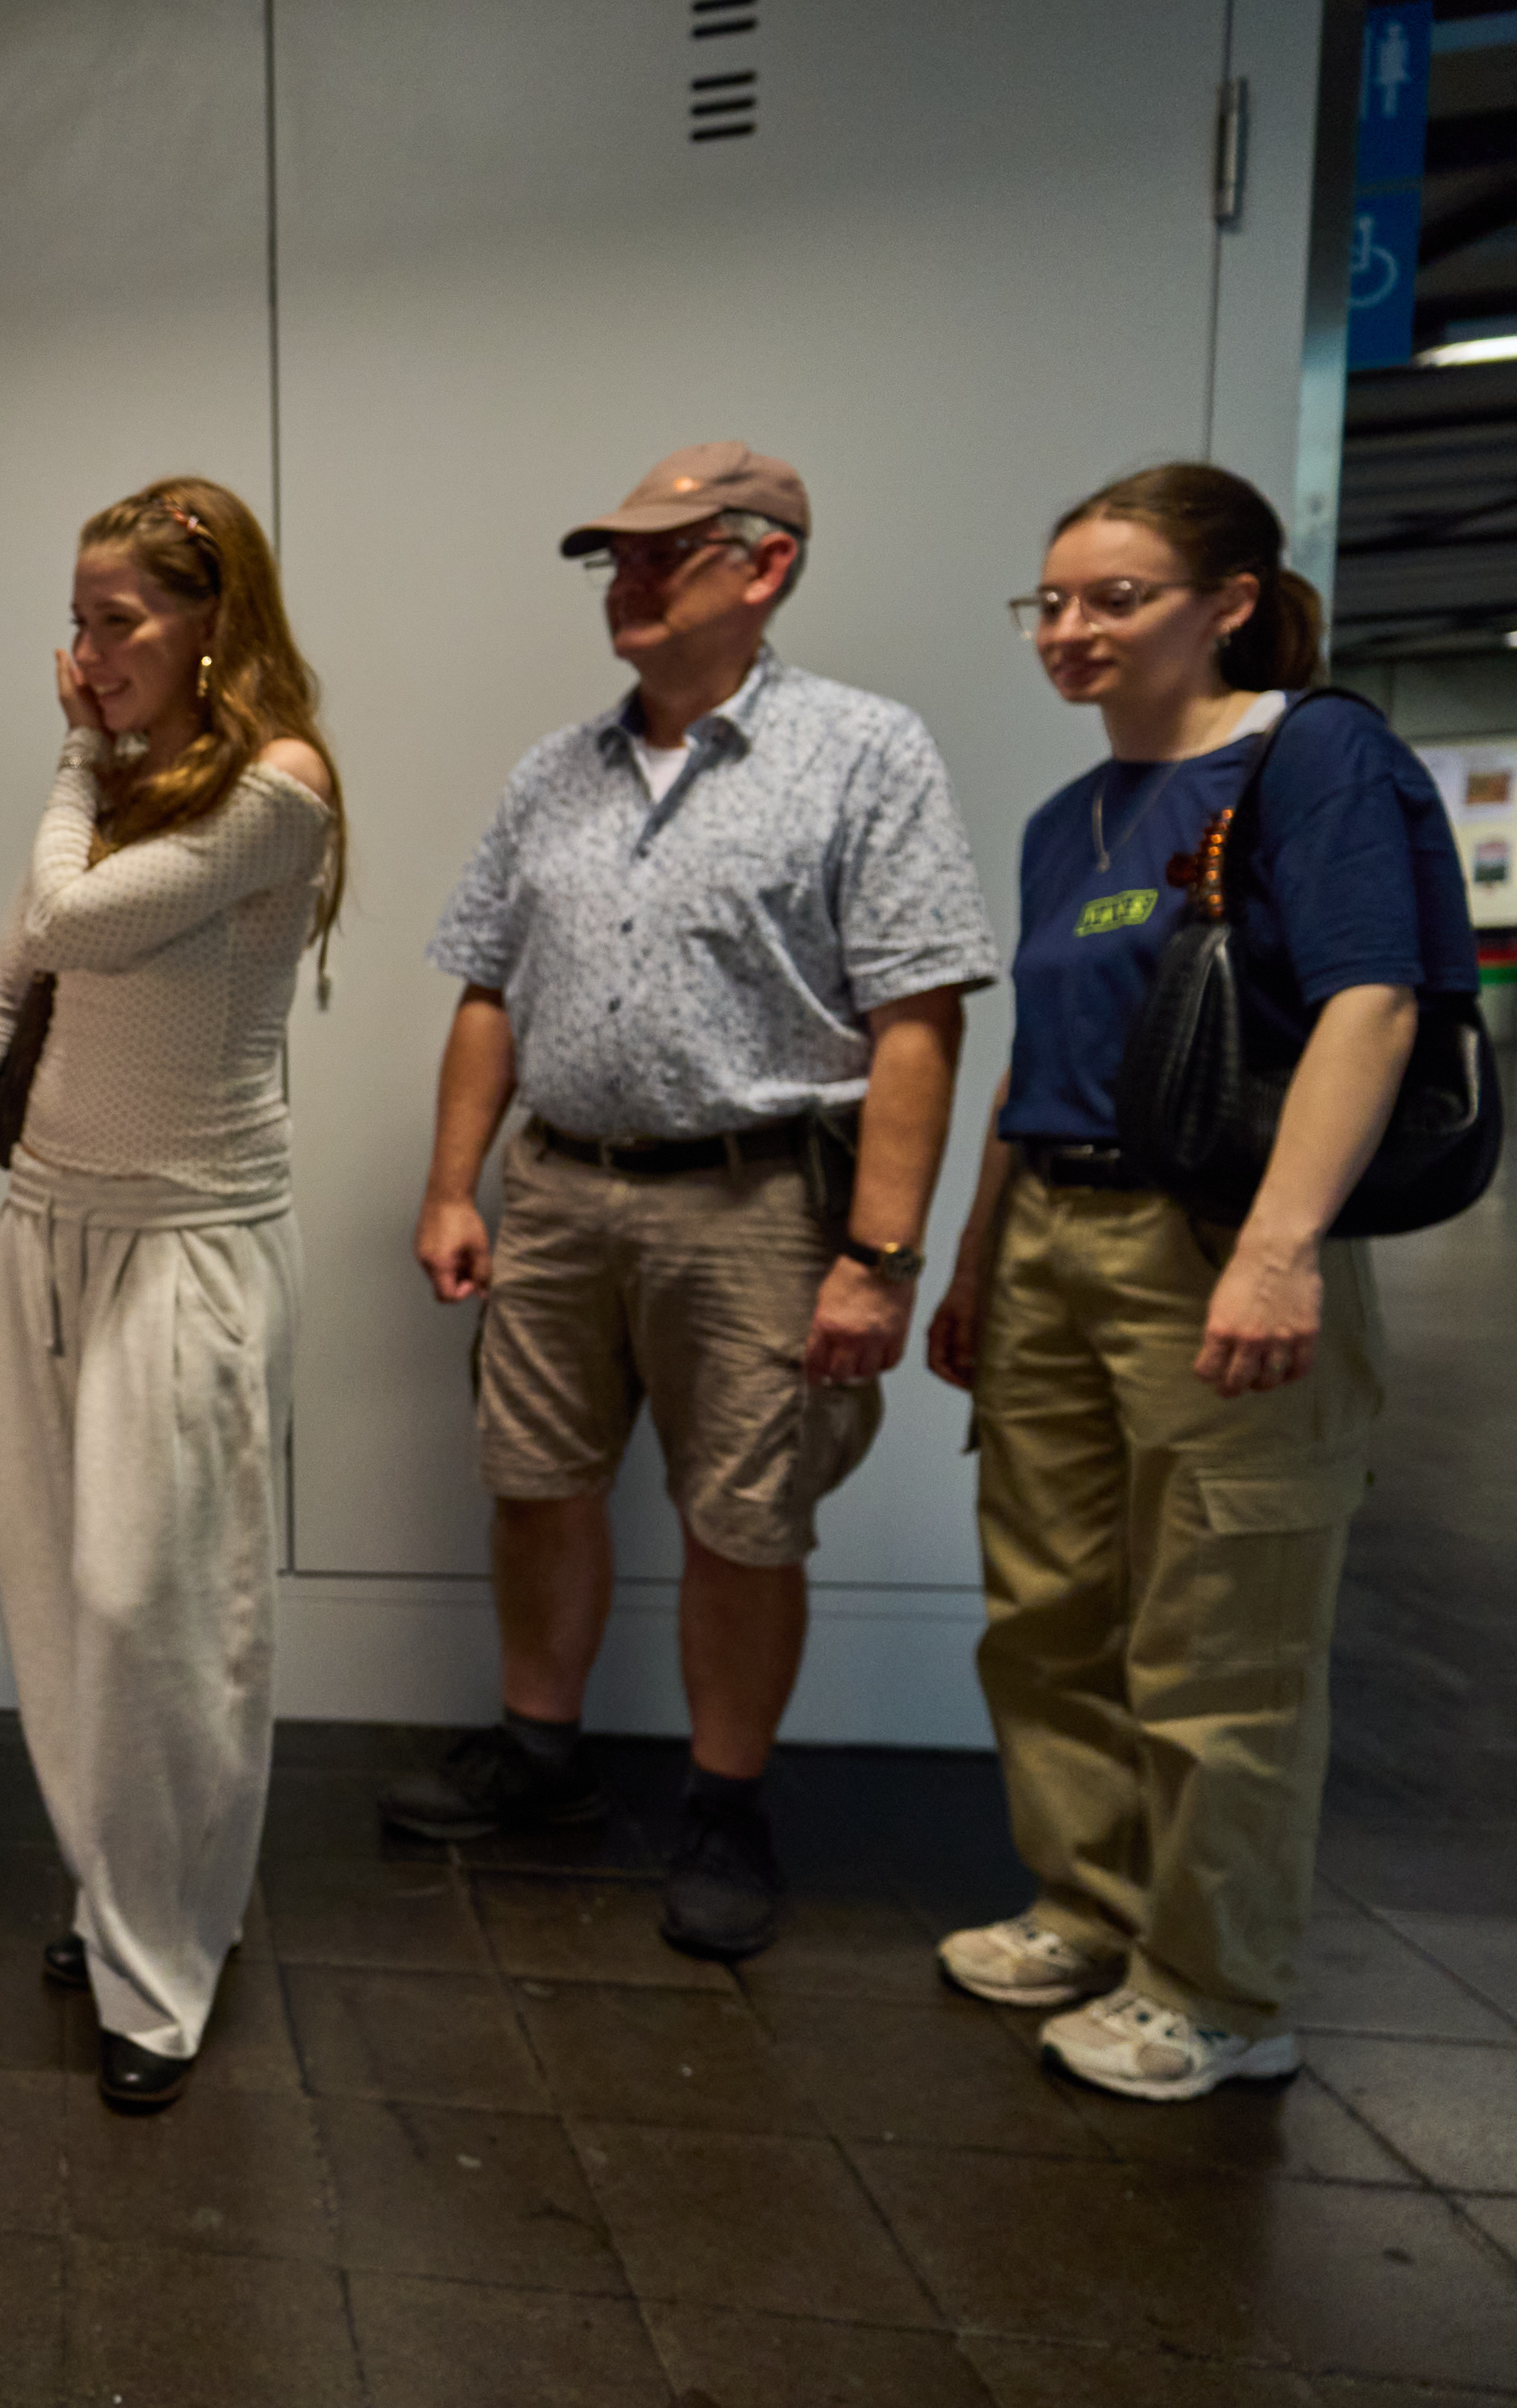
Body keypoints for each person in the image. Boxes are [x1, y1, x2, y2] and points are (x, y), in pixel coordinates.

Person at [394, 442, 998, 1962]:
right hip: (557, 1187)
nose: (630, 583)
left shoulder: (865, 752)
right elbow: (486, 988)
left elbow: (919, 1015)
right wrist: (452, 1184)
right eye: (617, 559)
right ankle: (540, 1752)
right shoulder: (556, 769)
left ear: (767, 562)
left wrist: (879, 1254)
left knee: (745, 1517)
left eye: (666, 553)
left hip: (759, 1206)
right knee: (534, 1475)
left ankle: (727, 1801)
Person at [925, 462, 1475, 2103]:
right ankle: (1090, 1911)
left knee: (1222, 1636)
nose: (1072, 630)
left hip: (1216, 1242)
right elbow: (1044, 1061)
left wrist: (1281, 1248)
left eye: (1117, 597)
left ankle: (1219, 1987)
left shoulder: (1316, 758)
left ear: (1229, 602)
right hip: (1051, 1244)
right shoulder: (1065, 822)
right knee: (1051, 1616)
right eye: (1054, 602)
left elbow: (1376, 1005)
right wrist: (973, 1262)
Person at [0, 480, 340, 2110]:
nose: (86, 657)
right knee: (56, 1609)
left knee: (158, 1616)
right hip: (55, 1230)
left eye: (121, 624)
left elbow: (67, 921)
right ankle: (132, 1904)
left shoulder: (281, 783)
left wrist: (66, 755)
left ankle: (165, 1975)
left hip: (189, 1247)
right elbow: (18, 983)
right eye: (82, 620)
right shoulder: (129, 779)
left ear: (213, 621)